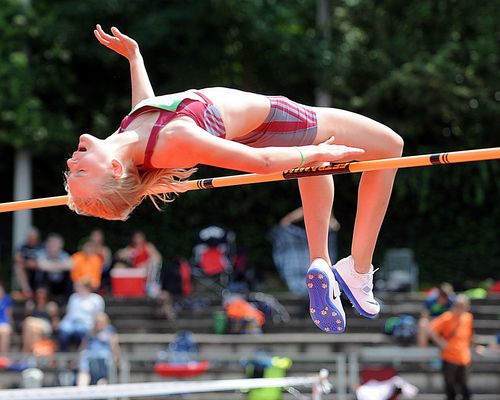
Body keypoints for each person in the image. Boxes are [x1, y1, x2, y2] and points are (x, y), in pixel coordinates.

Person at [64, 25, 404, 333]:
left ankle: (322, 263)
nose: (71, 160)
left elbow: (146, 106)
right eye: (81, 170)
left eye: (71, 169)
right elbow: (262, 162)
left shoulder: (130, 137)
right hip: (276, 120)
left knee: (315, 159)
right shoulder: (173, 139)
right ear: (113, 169)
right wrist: (313, 154)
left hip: (260, 128)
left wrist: (134, 58)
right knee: (390, 145)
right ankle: (358, 270)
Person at [427, 294, 474, 400]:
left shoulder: (468, 317)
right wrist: (440, 342)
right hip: (449, 358)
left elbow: (469, 335)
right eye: (458, 305)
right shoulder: (447, 317)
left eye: (463, 305)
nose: (460, 308)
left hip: (464, 359)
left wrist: (474, 346)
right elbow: (430, 328)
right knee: (450, 390)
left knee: (465, 388)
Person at [58, 279, 105, 351]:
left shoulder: (96, 299)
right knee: (63, 329)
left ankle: (81, 352)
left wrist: (94, 325)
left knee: (80, 331)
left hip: (87, 323)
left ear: (87, 287)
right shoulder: (73, 297)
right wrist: (62, 322)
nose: (76, 289)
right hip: (71, 321)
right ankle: (63, 352)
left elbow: (99, 315)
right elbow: (69, 313)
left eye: (79, 287)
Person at [77, 312, 120, 386]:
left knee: (105, 358)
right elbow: (83, 346)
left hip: (104, 358)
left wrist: (117, 359)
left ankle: (102, 381)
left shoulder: (110, 331)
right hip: (90, 357)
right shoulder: (90, 332)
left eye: (100, 322)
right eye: (97, 322)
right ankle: (82, 386)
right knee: (84, 356)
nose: (98, 324)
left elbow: (115, 347)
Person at [22, 286, 60, 353]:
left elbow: (55, 322)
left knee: (28, 321)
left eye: (42, 293)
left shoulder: (51, 305)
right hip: (33, 327)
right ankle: (35, 352)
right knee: (34, 330)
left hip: (46, 326)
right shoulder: (32, 304)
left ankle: (25, 351)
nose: (40, 295)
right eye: (38, 293)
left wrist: (55, 322)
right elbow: (26, 316)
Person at [417, 282, 455, 348]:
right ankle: (422, 352)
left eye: (446, 296)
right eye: (442, 295)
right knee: (423, 323)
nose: (444, 298)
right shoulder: (430, 301)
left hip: (445, 326)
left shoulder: (451, 302)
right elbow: (424, 316)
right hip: (432, 325)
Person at [36, 233, 73, 298]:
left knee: (69, 276)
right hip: (45, 283)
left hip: (60, 283)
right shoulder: (41, 253)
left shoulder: (64, 254)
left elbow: (70, 266)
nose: (52, 246)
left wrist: (50, 265)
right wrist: (60, 266)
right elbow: (42, 266)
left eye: (55, 244)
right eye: (51, 244)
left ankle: (67, 300)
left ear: (60, 246)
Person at [13, 227, 43, 298]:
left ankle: (41, 290)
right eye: (29, 237)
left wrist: (35, 263)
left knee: (42, 265)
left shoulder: (41, 246)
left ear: (37, 238)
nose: (31, 239)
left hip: (39, 269)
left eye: (32, 238)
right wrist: (27, 263)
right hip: (27, 269)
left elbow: (43, 259)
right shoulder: (22, 246)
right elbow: (17, 257)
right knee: (18, 266)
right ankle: (27, 290)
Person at [0, 283, 13, 353]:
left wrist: (11, 324)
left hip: (3, 323)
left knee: (5, 330)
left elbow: (8, 314)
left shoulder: (6, 300)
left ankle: (3, 356)